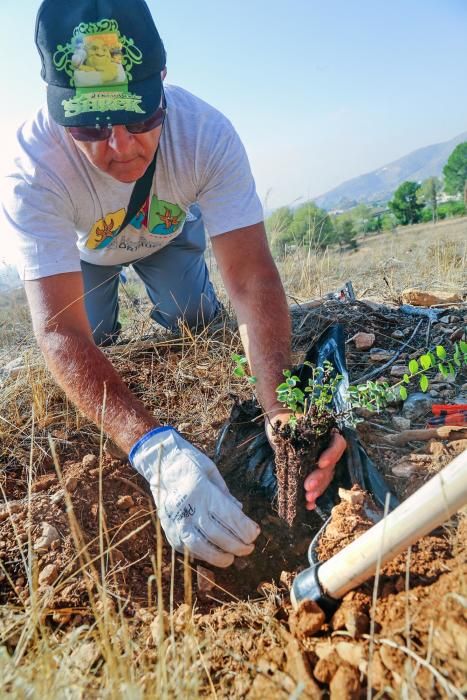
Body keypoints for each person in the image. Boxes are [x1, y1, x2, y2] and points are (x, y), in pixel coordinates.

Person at [2, 0, 346, 567]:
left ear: (162, 82)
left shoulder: (204, 133)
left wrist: (284, 411)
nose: (121, 147)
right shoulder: (32, 169)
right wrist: (154, 449)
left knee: (194, 315)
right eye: (89, 124)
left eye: (140, 116)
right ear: (54, 104)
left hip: (166, 233)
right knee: (100, 337)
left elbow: (252, 275)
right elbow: (61, 332)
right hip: (89, 251)